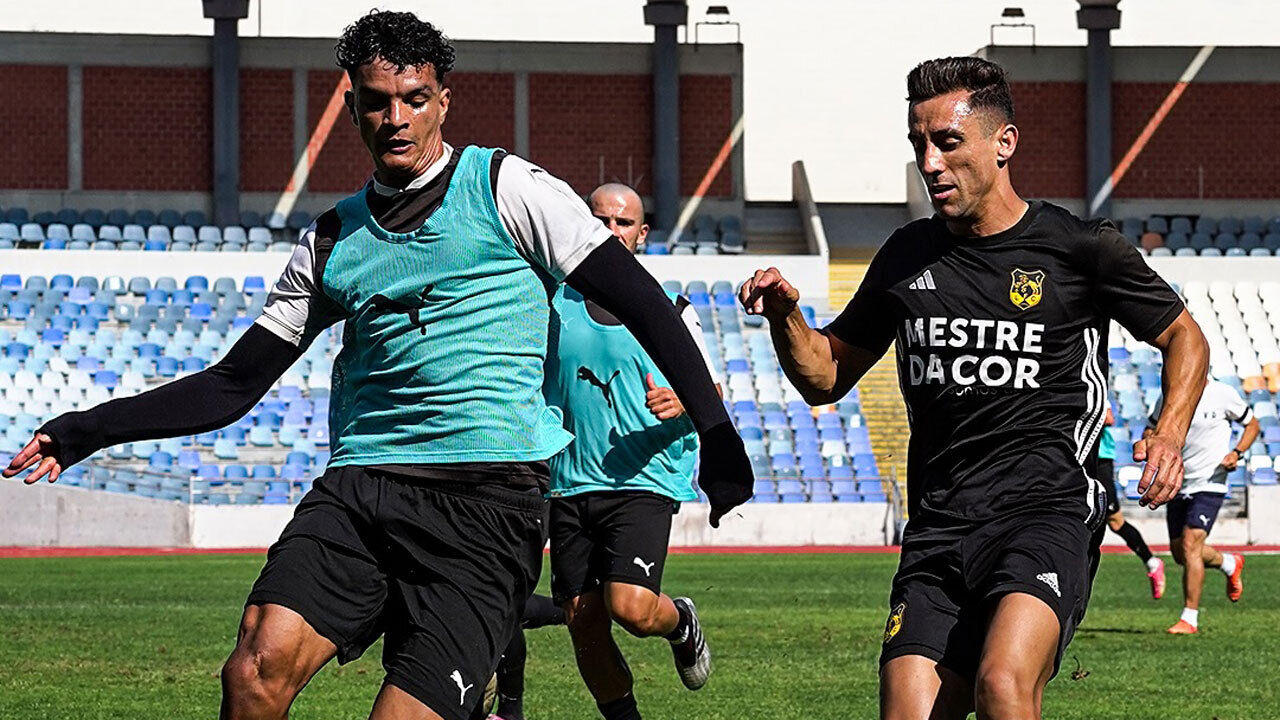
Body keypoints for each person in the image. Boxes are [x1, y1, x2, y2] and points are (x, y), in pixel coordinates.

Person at [2, 11, 752, 720]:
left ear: (443, 102)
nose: (396, 118)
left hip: (486, 503)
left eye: (414, 100)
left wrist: (716, 434)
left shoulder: (509, 190)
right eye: (377, 102)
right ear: (353, 107)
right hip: (362, 489)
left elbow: (645, 303)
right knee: (254, 669)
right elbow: (233, 382)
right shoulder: (332, 239)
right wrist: (88, 429)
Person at [738, 56, 1209, 720]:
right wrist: (787, 318)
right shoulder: (906, 255)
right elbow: (826, 376)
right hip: (939, 528)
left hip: (1045, 512)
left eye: (948, 142)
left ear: (1003, 142)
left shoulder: (1079, 248)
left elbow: (1185, 336)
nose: (929, 163)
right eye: (919, 144)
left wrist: (1169, 430)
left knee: (1003, 684)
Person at [540, 183, 719, 720]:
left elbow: (710, 393)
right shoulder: (550, 303)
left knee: (632, 607)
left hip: (643, 477)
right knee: (584, 625)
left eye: (623, 223)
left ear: (642, 234)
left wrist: (684, 401)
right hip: (567, 482)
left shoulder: (671, 309)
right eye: (601, 220)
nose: (612, 231)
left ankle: (680, 623)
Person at [1149, 377, 1257, 634]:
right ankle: (1229, 563)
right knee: (1180, 553)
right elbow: (1151, 428)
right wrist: (1149, 442)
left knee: (1190, 544)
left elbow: (1252, 425)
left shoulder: (1223, 393)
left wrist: (1237, 453)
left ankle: (1190, 618)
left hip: (1211, 482)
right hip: (1178, 481)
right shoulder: (1168, 396)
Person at [1097, 403, 1165, 599]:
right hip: (1075, 460)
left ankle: (1151, 562)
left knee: (1114, 520)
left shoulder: (1093, 390)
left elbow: (1108, 418)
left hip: (1099, 459)